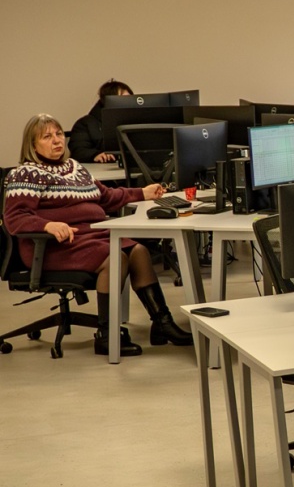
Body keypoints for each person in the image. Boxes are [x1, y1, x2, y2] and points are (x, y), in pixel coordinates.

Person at [3, 114, 191, 355]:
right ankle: (106, 335)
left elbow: (107, 197)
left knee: (138, 251)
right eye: (47, 137)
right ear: (32, 144)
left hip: (92, 237)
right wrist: (47, 225)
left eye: (59, 134)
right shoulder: (25, 174)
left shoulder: (75, 168)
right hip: (55, 246)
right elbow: (14, 217)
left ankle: (162, 323)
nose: (57, 141)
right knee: (115, 258)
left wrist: (142, 193)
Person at [68, 78, 133, 164]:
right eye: (123, 100)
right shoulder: (85, 124)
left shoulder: (135, 121)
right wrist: (95, 155)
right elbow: (78, 150)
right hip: (101, 169)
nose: (128, 103)